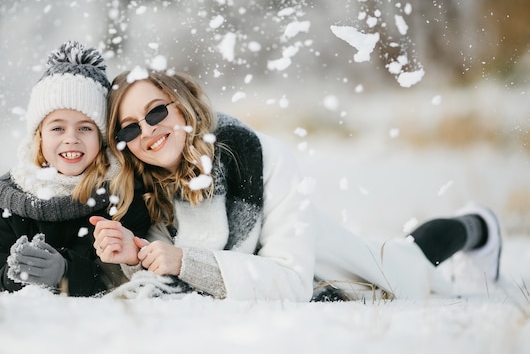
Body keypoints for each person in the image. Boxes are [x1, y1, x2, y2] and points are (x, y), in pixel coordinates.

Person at [90, 67, 502, 302]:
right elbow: (164, 267)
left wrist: (184, 261)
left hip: (345, 268)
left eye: (156, 112)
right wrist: (133, 255)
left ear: (181, 105)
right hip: (310, 271)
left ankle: (479, 226)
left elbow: (290, 282)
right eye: (129, 129)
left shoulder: (258, 157)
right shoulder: (149, 192)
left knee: (410, 258)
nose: (147, 130)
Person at [0, 42, 150, 297]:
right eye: (57, 128)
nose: (71, 138)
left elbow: (115, 284)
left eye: (85, 128)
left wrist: (64, 271)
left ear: (102, 138)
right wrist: (17, 272)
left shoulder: (121, 195)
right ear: (39, 136)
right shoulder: (13, 203)